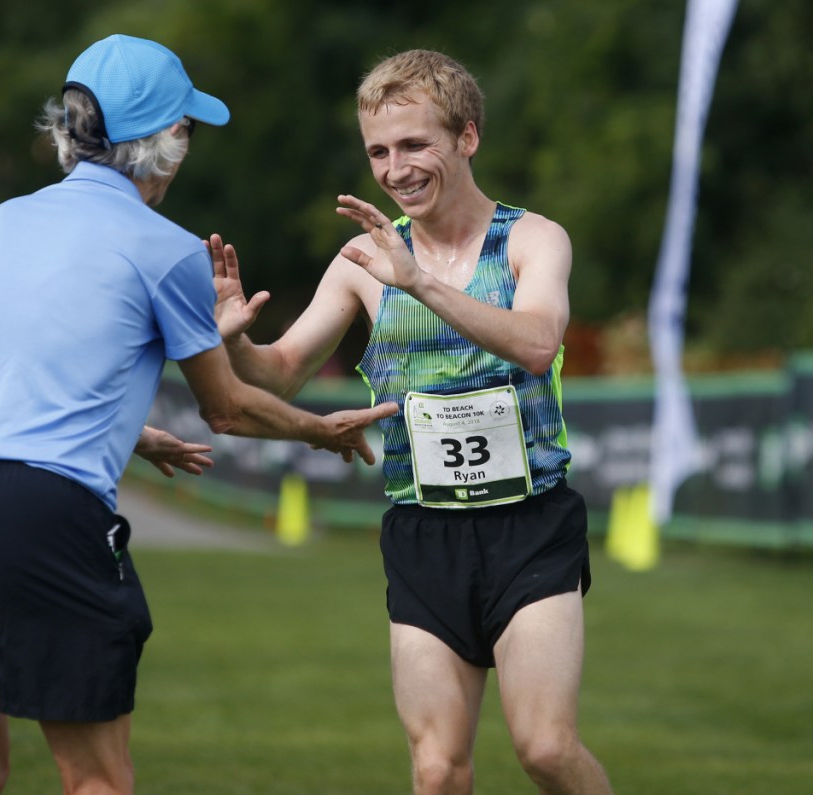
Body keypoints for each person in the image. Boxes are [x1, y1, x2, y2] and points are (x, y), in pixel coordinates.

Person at [0, 34, 397, 795]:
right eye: (185, 131)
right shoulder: (166, 248)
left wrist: (129, 435)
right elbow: (225, 408)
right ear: (166, 144)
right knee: (97, 777)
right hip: (42, 517)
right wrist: (322, 430)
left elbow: (17, 385)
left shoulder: (3, 222)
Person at [212, 49, 613, 794]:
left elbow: (536, 343)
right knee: (436, 770)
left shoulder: (531, 240)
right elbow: (278, 372)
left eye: (414, 144)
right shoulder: (363, 259)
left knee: (546, 748)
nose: (395, 168)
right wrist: (233, 337)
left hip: (529, 525)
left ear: (467, 137)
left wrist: (419, 281)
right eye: (378, 151)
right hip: (423, 532)